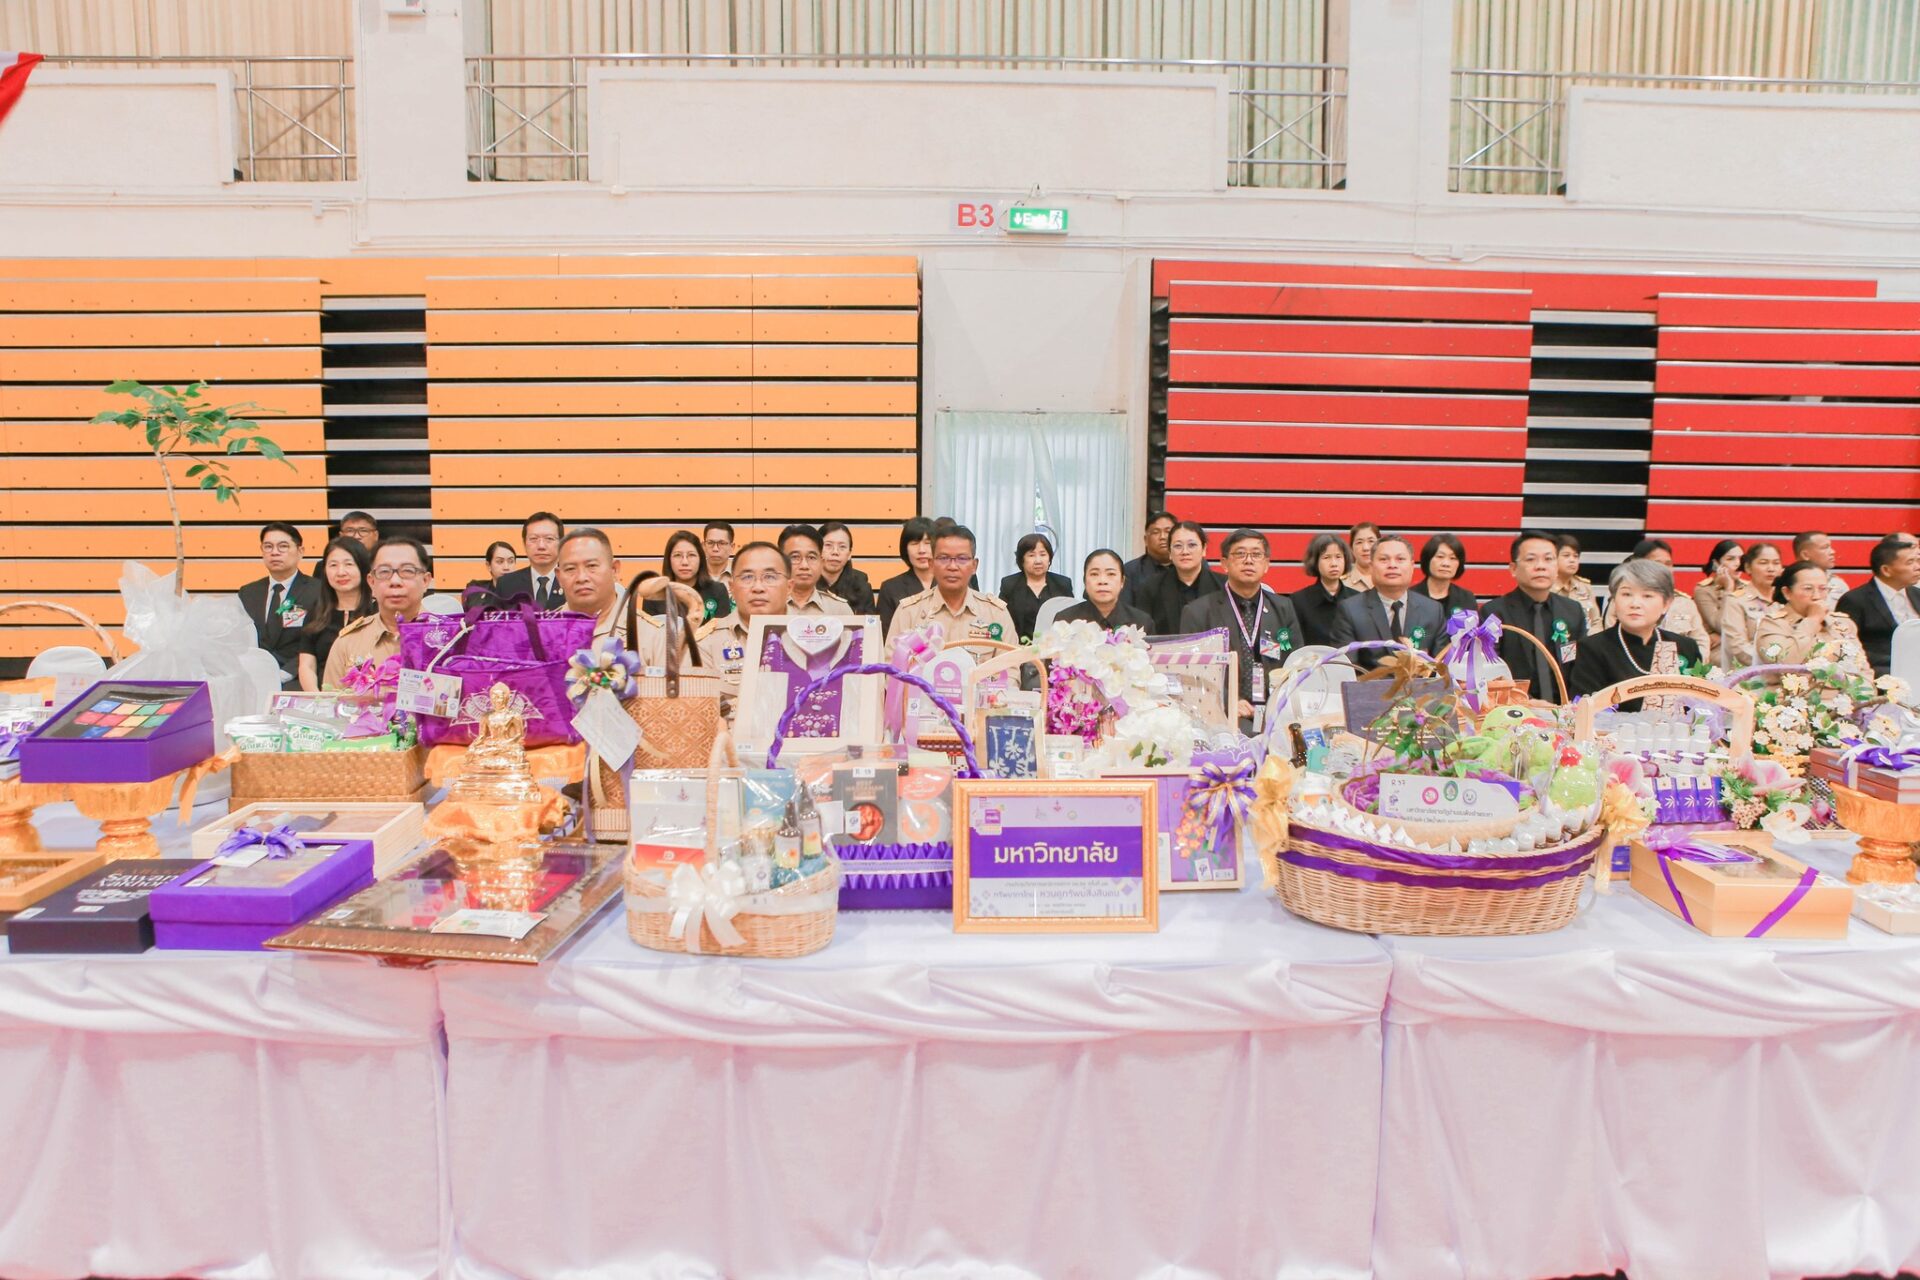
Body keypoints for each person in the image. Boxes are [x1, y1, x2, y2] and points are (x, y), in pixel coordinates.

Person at [1177, 529, 1302, 735]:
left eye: (1256, 554)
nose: (1248, 560)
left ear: (1266, 564)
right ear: (1224, 563)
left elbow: (1294, 661)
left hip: (1275, 713)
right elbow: (1191, 671)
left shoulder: (1283, 607)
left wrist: (1277, 703)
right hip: (1221, 715)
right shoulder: (1198, 612)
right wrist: (1229, 700)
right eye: (1240, 554)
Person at [1569, 559, 1705, 702]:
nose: (1635, 604)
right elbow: (1585, 705)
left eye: (1647, 596)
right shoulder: (1592, 648)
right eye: (1627, 594)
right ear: (1614, 600)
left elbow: (1699, 704)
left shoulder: (1685, 647)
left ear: (1666, 604)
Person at [1481, 530, 1588, 706]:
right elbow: (1490, 671)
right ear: (1513, 569)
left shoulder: (1572, 610)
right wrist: (1527, 703)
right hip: (1516, 710)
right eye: (1531, 559)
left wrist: (1574, 705)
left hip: (1566, 710)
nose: (1541, 566)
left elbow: (1580, 666)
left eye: (1548, 559)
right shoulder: (1494, 613)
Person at [323, 536, 433, 689]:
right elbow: (330, 701)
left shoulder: (451, 639)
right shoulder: (347, 643)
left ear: (426, 581)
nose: (395, 581)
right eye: (384, 572)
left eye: (408, 571)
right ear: (371, 582)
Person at [885, 525, 1015, 647]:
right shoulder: (908, 613)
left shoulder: (996, 614)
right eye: (944, 558)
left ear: (974, 566)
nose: (952, 566)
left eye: (962, 559)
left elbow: (1010, 662)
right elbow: (893, 662)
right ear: (931, 564)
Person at [1330, 535, 1446, 669]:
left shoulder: (1433, 611)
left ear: (1412, 566)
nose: (1392, 565)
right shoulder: (1350, 610)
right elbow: (1346, 668)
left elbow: (1441, 667)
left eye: (1400, 559)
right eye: (1384, 559)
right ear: (1371, 566)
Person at [238, 521, 322, 685]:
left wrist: (284, 674)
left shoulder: (317, 591)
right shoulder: (248, 592)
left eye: (283, 546)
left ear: (300, 551)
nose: (274, 552)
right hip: (254, 680)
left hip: (297, 678)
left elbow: (318, 642)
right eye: (268, 547)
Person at [1755, 561, 1868, 676]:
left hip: (1843, 687)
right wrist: (1813, 620)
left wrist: (1864, 687)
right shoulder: (1772, 624)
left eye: (1823, 589)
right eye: (1808, 589)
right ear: (1787, 593)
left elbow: (1862, 668)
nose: (1817, 596)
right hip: (1792, 687)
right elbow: (1783, 664)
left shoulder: (1842, 623)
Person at [1601, 539, 1711, 652]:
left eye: (1668, 564)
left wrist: (1686, 661)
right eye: (1657, 563)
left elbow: (1701, 641)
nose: (1664, 569)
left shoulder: (1685, 603)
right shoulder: (1624, 600)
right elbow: (1611, 637)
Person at [296, 536, 372, 693]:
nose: (340, 572)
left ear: (363, 568)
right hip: (324, 697)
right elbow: (307, 665)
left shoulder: (378, 611)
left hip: (369, 698)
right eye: (333, 565)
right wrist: (317, 697)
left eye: (348, 564)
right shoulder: (317, 612)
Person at [1836, 537, 1920, 678]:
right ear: (1886, 570)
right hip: (1882, 672)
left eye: (1918, 561)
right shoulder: (1854, 600)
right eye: (1910, 562)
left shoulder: (1917, 594)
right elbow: (1846, 646)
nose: (1917, 567)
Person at [1143, 521, 1224, 634]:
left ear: (1204, 549)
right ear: (1170, 552)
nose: (1185, 552)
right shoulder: (1151, 587)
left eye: (1192, 545)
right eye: (1178, 546)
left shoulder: (1223, 586)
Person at [998, 533, 1074, 643]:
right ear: (1022, 560)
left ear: (1049, 558)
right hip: (1018, 648)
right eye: (1031, 555)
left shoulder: (1063, 584)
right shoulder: (1009, 584)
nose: (1038, 561)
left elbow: (1072, 620)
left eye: (1043, 555)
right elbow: (1001, 619)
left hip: (1054, 649)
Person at [1719, 542, 1785, 670]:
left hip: (1786, 672)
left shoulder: (1786, 599)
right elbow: (1738, 646)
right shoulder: (1736, 601)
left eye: (1776, 563)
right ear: (1748, 567)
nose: (1771, 568)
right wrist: (1772, 664)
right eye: (1763, 563)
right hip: (1750, 674)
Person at [644, 530, 732, 622]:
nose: (685, 562)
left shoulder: (718, 591)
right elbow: (649, 630)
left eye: (691, 555)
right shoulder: (653, 594)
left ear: (700, 559)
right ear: (669, 560)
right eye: (677, 555)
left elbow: (723, 629)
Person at [1057, 549, 1153, 633]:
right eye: (1094, 574)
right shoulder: (1065, 620)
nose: (1102, 581)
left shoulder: (1142, 623)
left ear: (1122, 581)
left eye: (1111, 574)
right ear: (1085, 581)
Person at [1289, 533, 1355, 648]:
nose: (1334, 564)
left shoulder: (1356, 599)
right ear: (1315, 561)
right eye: (1326, 557)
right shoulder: (1299, 600)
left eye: (1338, 557)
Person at [877, 516, 937, 635]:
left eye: (928, 543)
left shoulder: (951, 584)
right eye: (914, 543)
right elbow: (885, 636)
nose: (921, 550)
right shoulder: (890, 588)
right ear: (905, 549)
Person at [775, 524, 853, 616]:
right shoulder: (767, 606)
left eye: (811, 557)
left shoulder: (839, 610)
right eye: (795, 557)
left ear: (821, 562)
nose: (804, 566)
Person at [493, 511, 566, 608]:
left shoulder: (572, 581)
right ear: (524, 544)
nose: (541, 546)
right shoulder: (506, 584)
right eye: (533, 539)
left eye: (549, 539)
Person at [1692, 538, 1745, 662]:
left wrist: (1725, 638)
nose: (1738, 564)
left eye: (1741, 559)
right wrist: (1728, 589)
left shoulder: (1748, 588)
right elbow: (1720, 625)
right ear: (1716, 563)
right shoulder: (1703, 590)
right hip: (1718, 652)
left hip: (1743, 646)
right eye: (1730, 559)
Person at [1119, 509, 1177, 610]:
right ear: (1146, 540)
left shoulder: (1190, 567)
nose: (1162, 537)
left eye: (1168, 531)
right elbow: (1125, 610)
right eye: (1156, 532)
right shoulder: (1130, 571)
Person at [1417, 533, 1479, 624]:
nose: (1446, 563)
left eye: (1453, 558)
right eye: (1440, 557)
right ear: (1427, 560)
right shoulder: (1410, 596)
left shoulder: (1466, 598)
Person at [818, 521, 875, 615]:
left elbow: (869, 622)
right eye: (828, 545)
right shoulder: (805, 583)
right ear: (817, 549)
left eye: (842, 547)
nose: (835, 552)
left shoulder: (862, 587)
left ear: (849, 554)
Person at [1553, 533, 1603, 635]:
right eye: (1566, 556)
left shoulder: (1584, 587)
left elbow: (1596, 621)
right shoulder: (1546, 588)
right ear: (1553, 558)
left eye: (1575, 556)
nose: (1572, 560)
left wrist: (1590, 640)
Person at [1794, 530, 1849, 609]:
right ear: (1805, 555)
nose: (1832, 552)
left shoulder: (1838, 584)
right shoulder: (1789, 583)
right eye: (1824, 547)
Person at [1342, 522, 1380, 591]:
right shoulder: (1341, 582)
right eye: (1359, 542)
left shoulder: (1390, 577)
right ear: (1351, 548)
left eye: (1371, 541)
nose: (1365, 548)